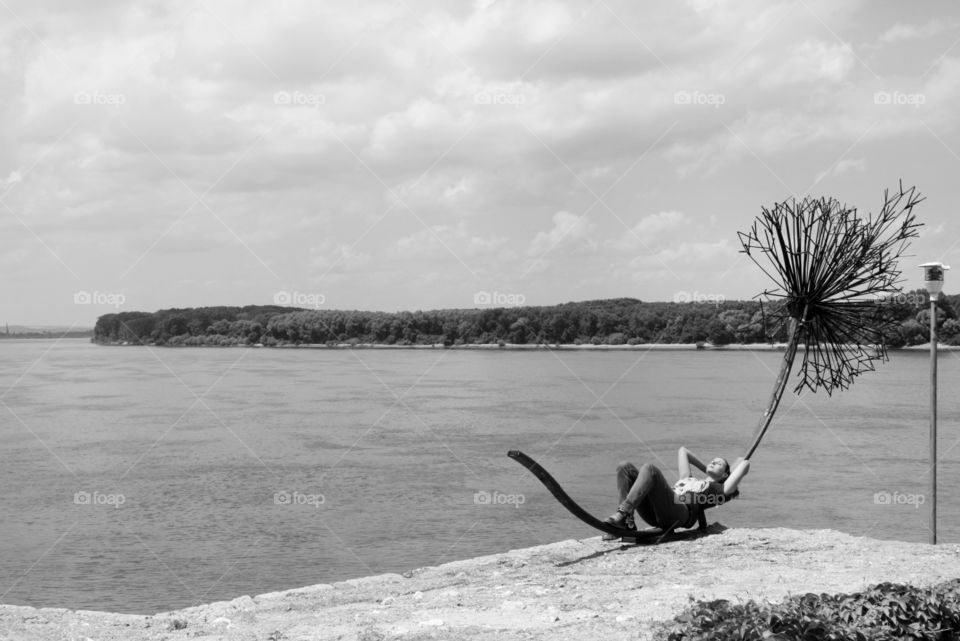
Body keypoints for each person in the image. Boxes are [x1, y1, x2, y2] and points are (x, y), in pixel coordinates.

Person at [601, 446, 749, 540]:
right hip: (658, 511)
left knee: (650, 469)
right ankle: (627, 523)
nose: (714, 462)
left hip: (680, 514)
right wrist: (708, 470)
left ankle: (623, 512)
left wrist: (721, 477)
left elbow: (744, 462)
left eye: (719, 464)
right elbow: (683, 451)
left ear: (725, 475)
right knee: (624, 467)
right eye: (713, 460)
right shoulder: (687, 478)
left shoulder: (717, 490)